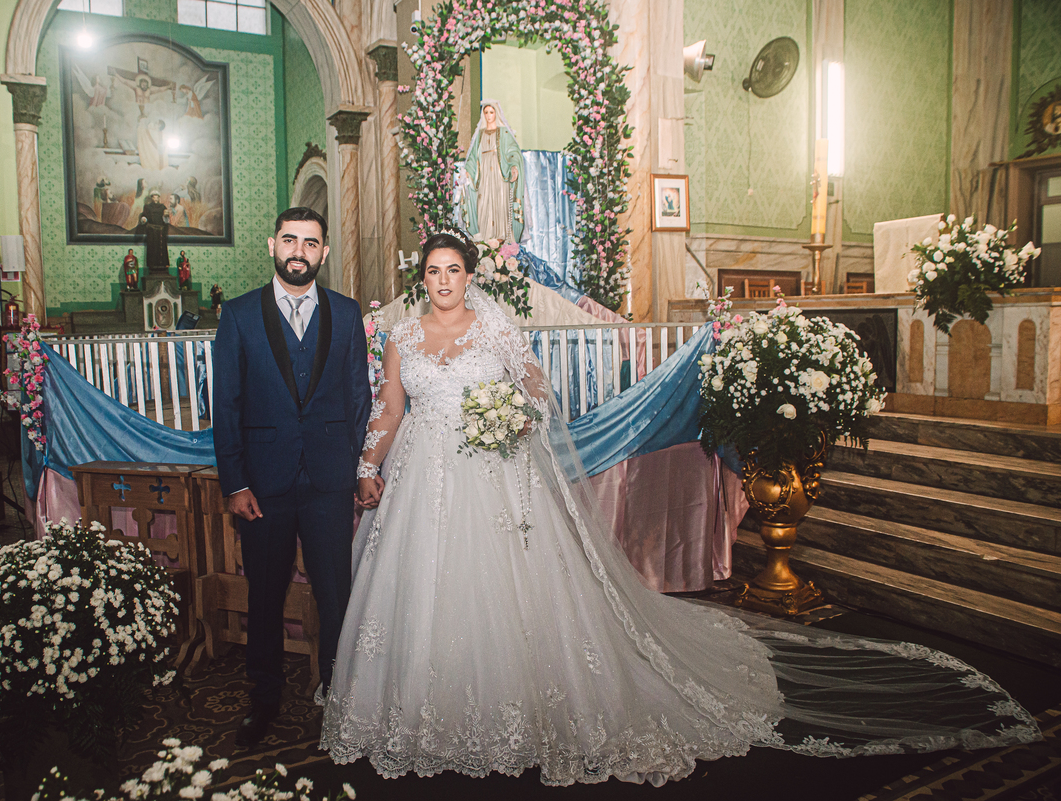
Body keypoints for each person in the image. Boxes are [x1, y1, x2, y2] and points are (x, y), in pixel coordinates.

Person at [320, 231, 1040, 786]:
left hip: (492, 473)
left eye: (453, 270)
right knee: (423, 588)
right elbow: (389, 408)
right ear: (422, 279)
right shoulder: (404, 335)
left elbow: (537, 391)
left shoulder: (495, 330)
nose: (443, 281)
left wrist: (509, 414)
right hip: (422, 475)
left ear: (470, 276)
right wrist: (367, 465)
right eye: (433, 271)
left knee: (505, 591)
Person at [213, 207, 372, 749]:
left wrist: (355, 468)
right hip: (263, 485)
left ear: (324, 251)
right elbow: (227, 404)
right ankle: (264, 699)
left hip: (329, 481)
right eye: (289, 240)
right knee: (265, 595)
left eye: (309, 242)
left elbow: (358, 397)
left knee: (335, 594)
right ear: (272, 245)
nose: (298, 251)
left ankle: (338, 694)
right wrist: (235, 483)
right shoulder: (238, 315)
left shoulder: (346, 313)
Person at [461, 100, 526, 243]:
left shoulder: (504, 132)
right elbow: (472, 157)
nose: (489, 115)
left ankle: (501, 237)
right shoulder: (479, 135)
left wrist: (513, 166)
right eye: (486, 112)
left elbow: (513, 152)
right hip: (483, 176)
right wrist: (468, 172)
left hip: (499, 174)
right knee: (483, 203)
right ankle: (484, 238)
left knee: (500, 202)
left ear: (496, 113)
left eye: (491, 112)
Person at [140, 192, 170, 273]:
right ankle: (152, 266)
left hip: (161, 231)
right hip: (151, 231)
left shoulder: (162, 207)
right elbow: (144, 216)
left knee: (161, 248)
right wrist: (144, 219)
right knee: (152, 248)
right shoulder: (147, 207)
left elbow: (166, 220)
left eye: (157, 197)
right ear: (152, 198)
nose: (155, 199)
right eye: (154, 197)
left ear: (159, 198)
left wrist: (166, 216)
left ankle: (163, 266)